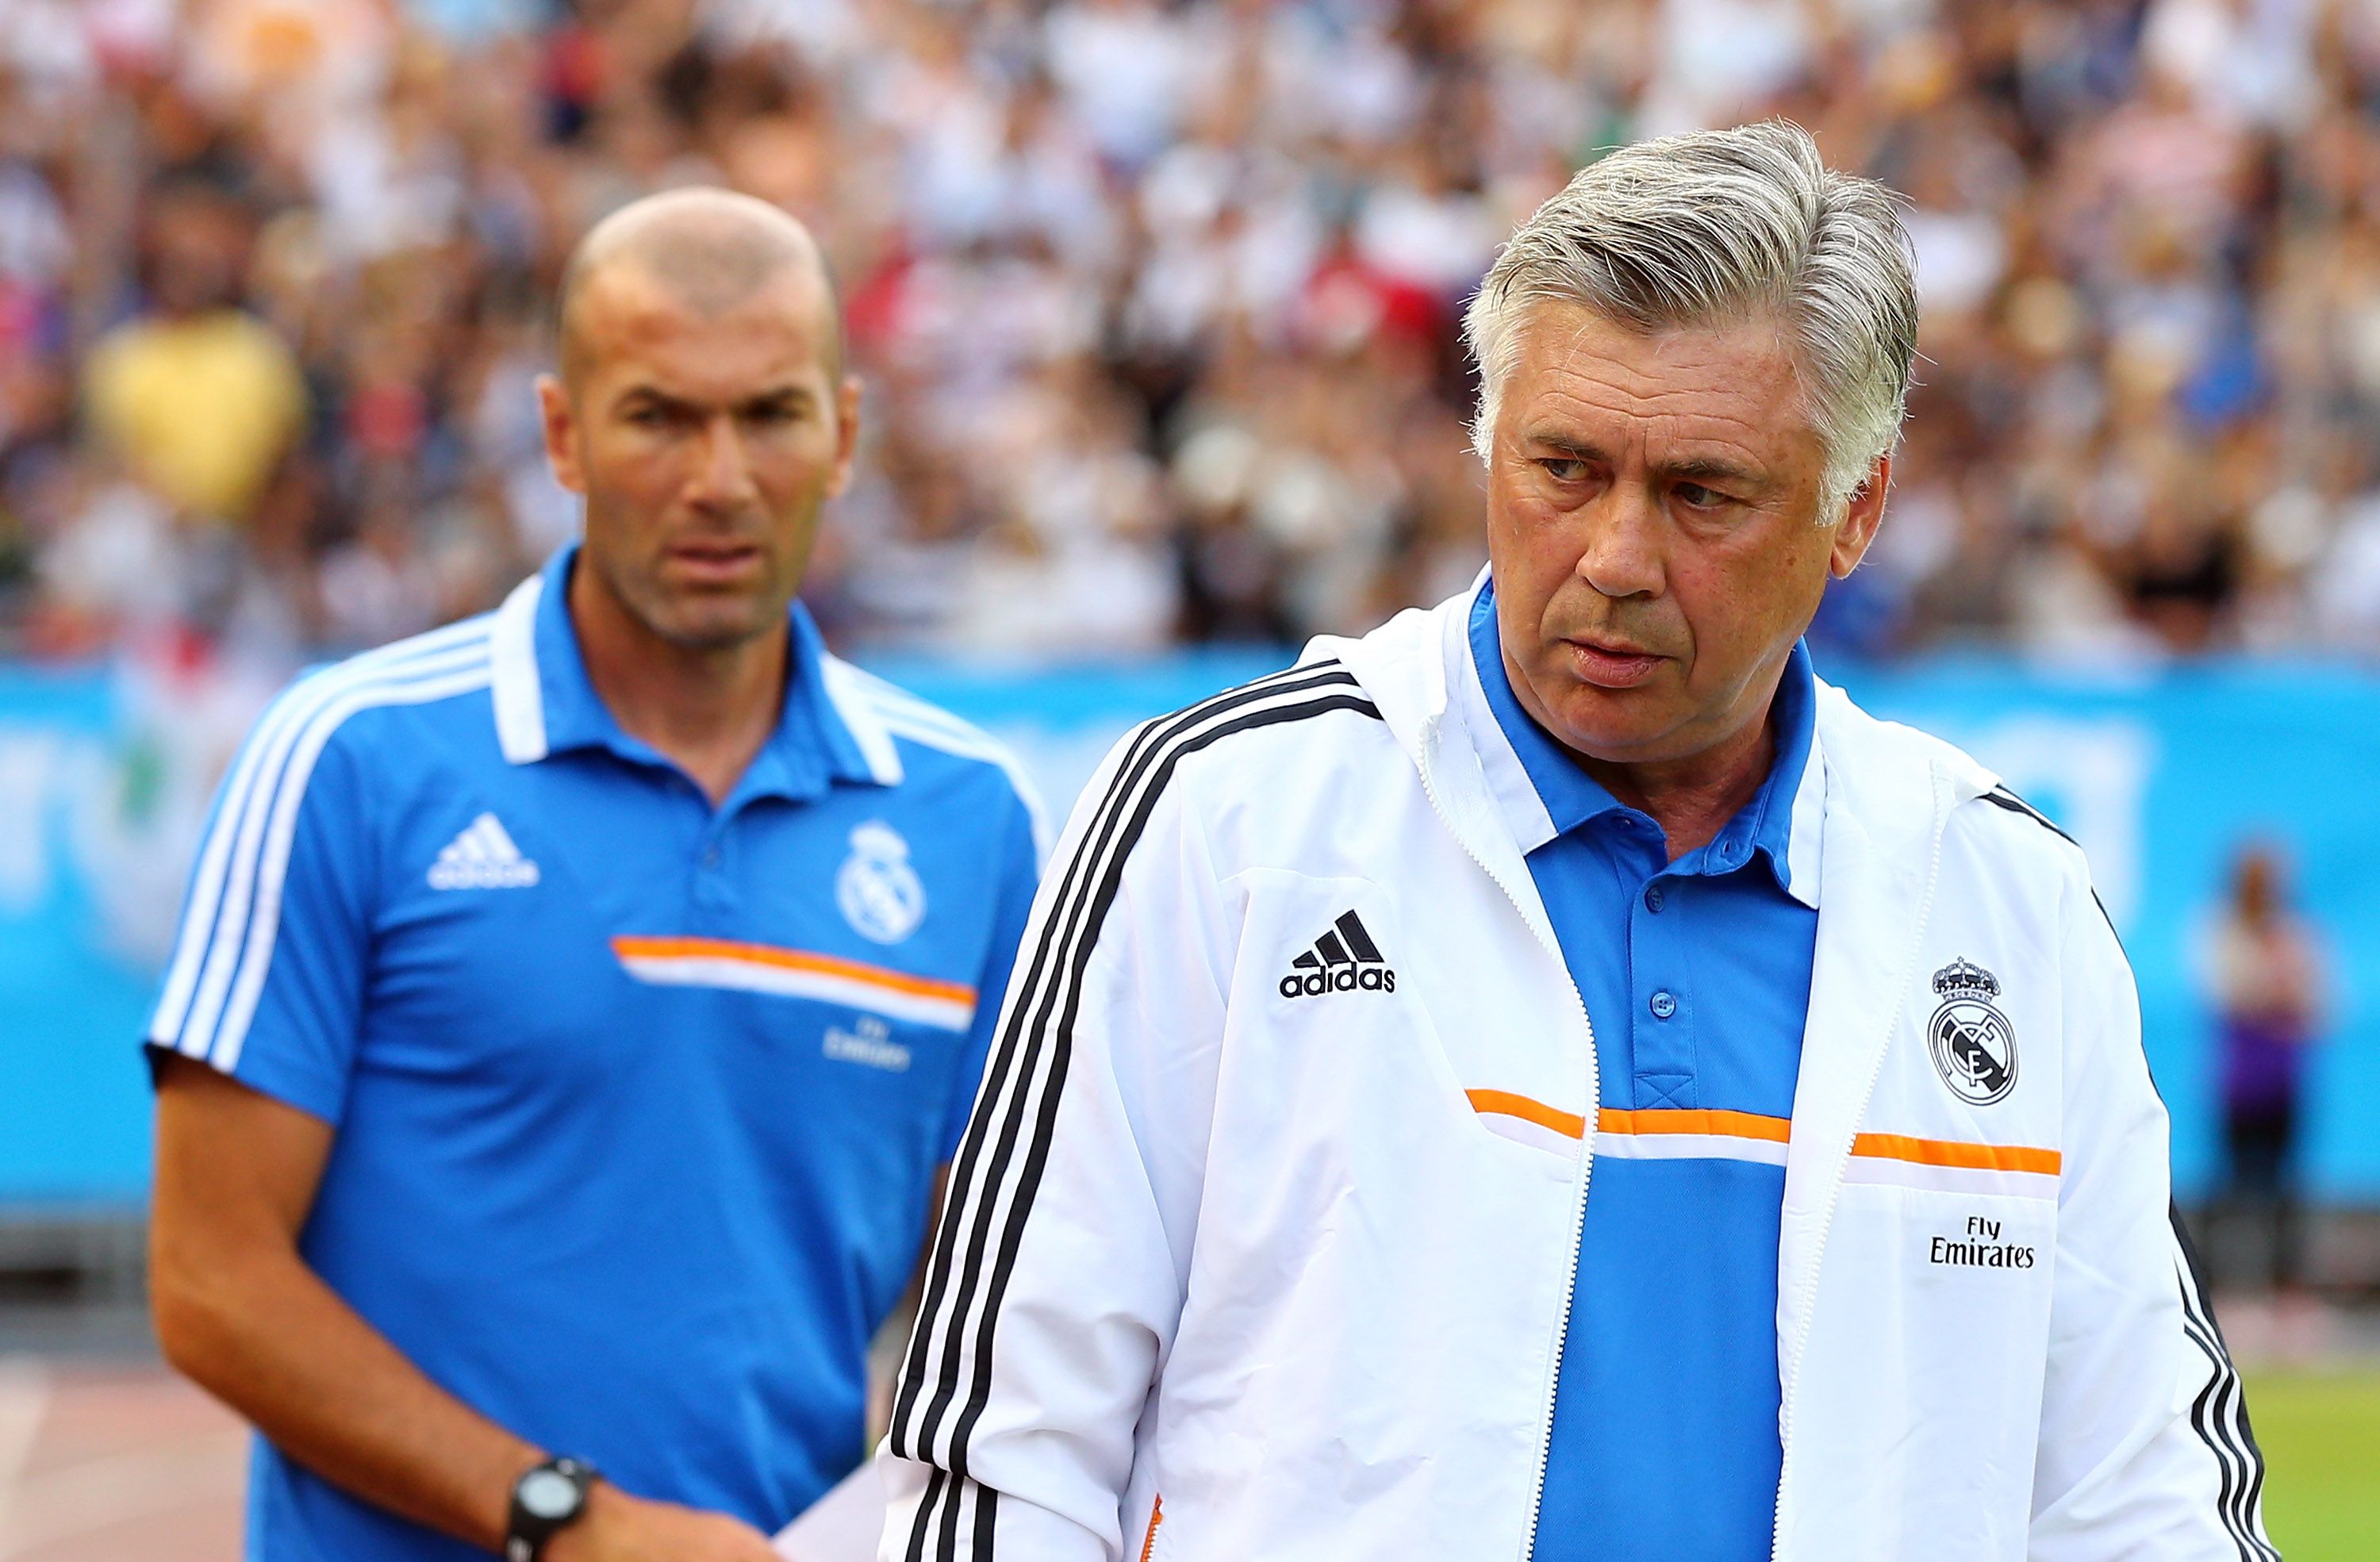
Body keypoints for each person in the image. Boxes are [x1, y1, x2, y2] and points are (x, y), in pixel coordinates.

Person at [879, 125, 2274, 1562]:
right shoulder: (1232, 814)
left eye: (1702, 494)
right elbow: (1005, 1450)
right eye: (1563, 466)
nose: (1613, 554)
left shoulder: (2005, 898)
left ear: (1853, 512)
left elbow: (2143, 1495)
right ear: (1488, 446)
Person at [144, 188, 1044, 1562]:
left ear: (844, 433)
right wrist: (562, 1517)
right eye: (659, 415)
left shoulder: (968, 815)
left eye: (770, 415)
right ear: (562, 433)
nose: (720, 478)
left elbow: (996, 1295)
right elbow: (211, 1278)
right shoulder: (351, 757)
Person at [2205, 841, 2327, 1295]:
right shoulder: (2225, 930)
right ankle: (2228, 1292)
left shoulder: (2296, 933)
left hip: (2283, 1079)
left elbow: (2316, 1002)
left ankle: (2286, 1295)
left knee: (2287, 1193)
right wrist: (2275, 988)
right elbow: (2233, 992)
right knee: (2235, 1189)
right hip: (2240, 1082)